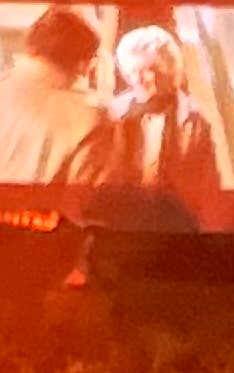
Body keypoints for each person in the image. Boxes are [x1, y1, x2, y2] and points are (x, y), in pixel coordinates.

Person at [0, 8, 110, 191]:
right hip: (46, 218)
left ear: (31, 47)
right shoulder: (90, 119)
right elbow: (85, 203)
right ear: (83, 64)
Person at [89, 23, 225, 227]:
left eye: (149, 70)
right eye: (133, 71)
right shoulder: (113, 114)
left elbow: (208, 188)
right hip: (123, 224)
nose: (139, 79)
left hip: (177, 226)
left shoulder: (194, 120)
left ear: (169, 71)